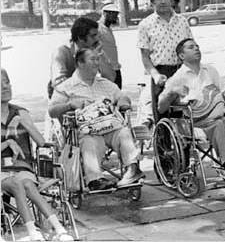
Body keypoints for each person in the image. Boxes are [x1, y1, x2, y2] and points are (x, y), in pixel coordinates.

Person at [157, 39, 225, 188]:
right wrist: (172, 92)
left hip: (215, 116)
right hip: (194, 121)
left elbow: (223, 90)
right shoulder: (178, 77)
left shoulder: (210, 70)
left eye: (197, 46)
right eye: (191, 47)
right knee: (220, 124)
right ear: (182, 56)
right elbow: (161, 108)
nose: (197, 48)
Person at [48, 48, 144, 191]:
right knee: (89, 142)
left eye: (98, 59)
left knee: (124, 132)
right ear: (80, 63)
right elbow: (52, 111)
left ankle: (132, 169)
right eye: (93, 59)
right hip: (87, 131)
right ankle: (95, 180)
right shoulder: (65, 87)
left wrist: (124, 102)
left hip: (111, 127)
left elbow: (122, 97)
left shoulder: (106, 84)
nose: (97, 63)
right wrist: (69, 105)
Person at [1, 68, 74, 241]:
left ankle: (59, 229)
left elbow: (41, 143)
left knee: (27, 183)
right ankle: (34, 232)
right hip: (1, 169)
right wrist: (8, 142)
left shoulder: (20, 112)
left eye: (6, 82)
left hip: (22, 166)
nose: (5, 87)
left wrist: (25, 124)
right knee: (18, 183)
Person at [137, 0, 194, 128]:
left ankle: (186, 149)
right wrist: (156, 75)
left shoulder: (182, 21)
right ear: (152, 2)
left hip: (181, 71)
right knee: (162, 117)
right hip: (160, 73)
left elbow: (190, 48)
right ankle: (164, 149)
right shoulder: (145, 24)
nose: (163, 1)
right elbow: (145, 57)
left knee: (184, 115)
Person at [48, 17, 105, 99]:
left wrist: (98, 56)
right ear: (81, 38)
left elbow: (110, 77)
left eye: (97, 35)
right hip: (64, 95)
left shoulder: (94, 48)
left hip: (85, 90)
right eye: (93, 36)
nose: (97, 39)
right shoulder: (61, 52)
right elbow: (59, 83)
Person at [97, 3, 122, 89]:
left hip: (115, 68)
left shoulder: (108, 29)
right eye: (113, 13)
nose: (116, 16)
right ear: (104, 14)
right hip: (106, 72)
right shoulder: (97, 29)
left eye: (116, 14)